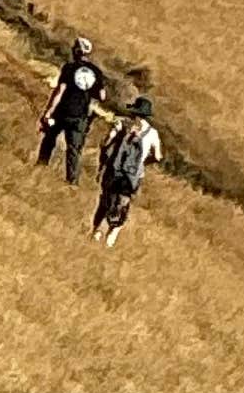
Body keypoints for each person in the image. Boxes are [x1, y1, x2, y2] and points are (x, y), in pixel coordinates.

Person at [92, 91, 161, 248]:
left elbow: (106, 142)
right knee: (123, 204)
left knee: (107, 201)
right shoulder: (152, 133)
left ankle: (98, 231)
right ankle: (112, 235)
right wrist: (142, 162)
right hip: (133, 176)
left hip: (114, 170)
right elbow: (158, 156)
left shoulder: (122, 123)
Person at [35, 36, 106, 183]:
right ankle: (72, 181)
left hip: (62, 112)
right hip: (80, 117)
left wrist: (48, 111)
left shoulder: (69, 68)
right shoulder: (97, 72)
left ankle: (41, 166)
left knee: (49, 139)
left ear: (77, 51)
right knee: (74, 150)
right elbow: (102, 96)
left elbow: (60, 91)